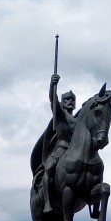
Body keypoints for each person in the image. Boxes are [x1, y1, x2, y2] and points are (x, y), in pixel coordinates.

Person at [33, 73, 77, 213]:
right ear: (63, 102)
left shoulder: (78, 120)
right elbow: (53, 100)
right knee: (49, 169)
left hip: (76, 151)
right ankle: (47, 202)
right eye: (67, 99)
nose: (70, 101)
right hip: (61, 149)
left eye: (72, 100)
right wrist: (52, 86)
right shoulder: (60, 114)